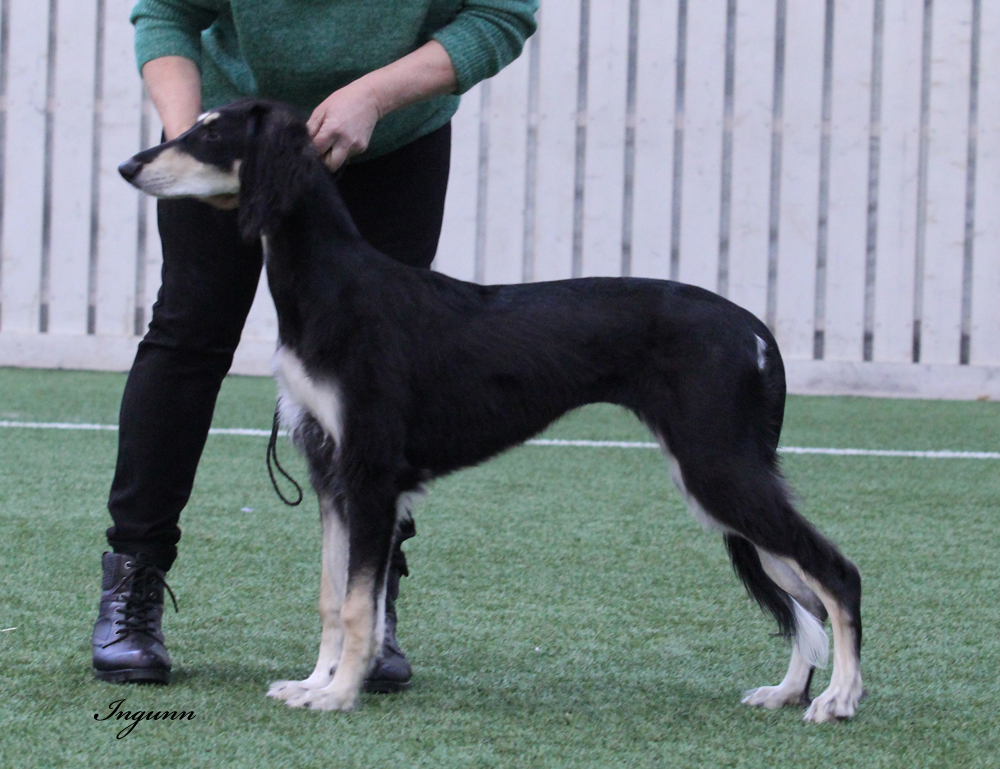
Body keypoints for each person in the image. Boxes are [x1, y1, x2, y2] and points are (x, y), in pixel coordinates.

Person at [91, 0, 538, 691]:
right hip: (234, 139)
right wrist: (190, 141)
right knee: (187, 337)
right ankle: (133, 581)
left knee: (383, 383)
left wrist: (375, 93)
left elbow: (498, 16)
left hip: (389, 137)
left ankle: (373, 610)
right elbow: (164, 14)